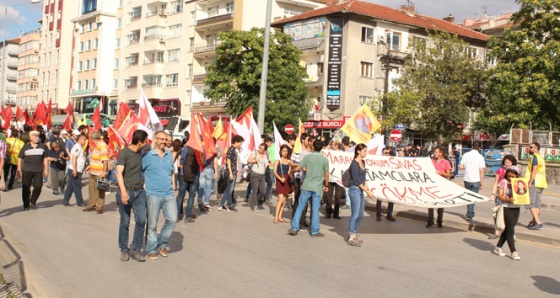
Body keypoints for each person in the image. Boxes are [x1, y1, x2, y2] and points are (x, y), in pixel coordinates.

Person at [143, 131, 177, 260]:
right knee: (152, 224)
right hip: (153, 194)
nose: (164, 141)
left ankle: (162, 244)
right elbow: (140, 173)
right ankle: (152, 248)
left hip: (168, 193)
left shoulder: (169, 155)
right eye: (161, 139)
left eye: (165, 139)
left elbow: (172, 172)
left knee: (172, 219)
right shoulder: (147, 156)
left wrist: (174, 188)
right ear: (155, 140)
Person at [116, 130, 148, 262]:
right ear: (140, 142)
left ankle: (136, 249)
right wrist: (123, 192)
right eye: (145, 141)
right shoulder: (124, 153)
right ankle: (124, 249)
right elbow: (118, 173)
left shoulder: (142, 152)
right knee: (125, 222)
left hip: (139, 192)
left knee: (141, 220)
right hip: (126, 191)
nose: (147, 144)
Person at [289, 140, 329, 237]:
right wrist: (326, 185)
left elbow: (298, 168)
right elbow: (326, 174)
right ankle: (314, 230)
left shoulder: (307, 157)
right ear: (322, 148)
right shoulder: (325, 160)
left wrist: (291, 172)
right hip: (317, 187)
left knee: (300, 206)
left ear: (313, 147)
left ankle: (294, 228)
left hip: (307, 186)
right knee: (315, 209)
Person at [345, 144, 374, 246]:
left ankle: (354, 231)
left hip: (361, 190)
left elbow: (363, 179)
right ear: (358, 151)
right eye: (365, 151)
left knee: (361, 214)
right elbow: (357, 181)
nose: (366, 153)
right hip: (355, 190)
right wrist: (367, 192)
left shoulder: (363, 162)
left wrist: (368, 189)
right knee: (355, 214)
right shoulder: (354, 164)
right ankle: (351, 235)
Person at [494, 165, 522, 261]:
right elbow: (500, 196)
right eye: (509, 176)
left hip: (516, 207)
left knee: (509, 229)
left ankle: (498, 247)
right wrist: (507, 199)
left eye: (514, 177)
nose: (511, 178)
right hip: (507, 207)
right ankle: (513, 251)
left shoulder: (520, 183)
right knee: (510, 229)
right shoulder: (503, 182)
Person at [17, 131, 48, 210]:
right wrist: (19, 169)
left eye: (38, 136)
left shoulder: (42, 146)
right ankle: (26, 204)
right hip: (27, 170)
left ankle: (33, 201)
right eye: (35, 136)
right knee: (26, 188)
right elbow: (20, 158)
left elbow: (45, 158)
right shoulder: (25, 147)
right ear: (30, 138)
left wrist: (46, 169)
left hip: (38, 170)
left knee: (38, 186)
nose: (37, 138)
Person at [488, 155, 517, 239]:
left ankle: (511, 233)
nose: (507, 164)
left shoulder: (515, 171)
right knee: (496, 214)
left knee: (510, 216)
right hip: (500, 195)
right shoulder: (500, 171)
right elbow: (495, 182)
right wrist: (493, 194)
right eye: (506, 162)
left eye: (509, 162)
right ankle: (497, 232)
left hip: (510, 196)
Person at [176, 132, 201, 222]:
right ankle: (188, 216)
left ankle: (177, 215)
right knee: (191, 196)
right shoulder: (200, 150)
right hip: (195, 175)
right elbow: (203, 162)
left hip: (184, 174)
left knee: (180, 196)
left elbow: (181, 161)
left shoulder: (186, 148)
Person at [83, 131, 109, 214]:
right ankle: (92, 204)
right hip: (93, 171)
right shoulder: (97, 145)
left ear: (93, 139)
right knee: (92, 189)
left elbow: (105, 161)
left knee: (100, 190)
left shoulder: (102, 146)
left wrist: (104, 172)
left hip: (99, 172)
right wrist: (90, 166)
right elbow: (96, 158)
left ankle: (99, 207)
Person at [459, 142, 485, 221]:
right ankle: (470, 214)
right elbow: (481, 170)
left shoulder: (466, 155)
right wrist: (482, 182)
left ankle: (469, 213)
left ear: (472, 146)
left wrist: (467, 166)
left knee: (468, 196)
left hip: (467, 178)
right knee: (473, 197)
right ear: (479, 148)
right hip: (476, 179)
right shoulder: (480, 157)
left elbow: (461, 166)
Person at [427, 146, 452, 228]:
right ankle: (430, 221)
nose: (435, 154)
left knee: (440, 204)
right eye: (434, 152)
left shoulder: (446, 162)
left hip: (442, 185)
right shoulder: (431, 161)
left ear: (441, 153)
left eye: (436, 152)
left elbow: (449, 175)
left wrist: (441, 172)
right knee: (430, 203)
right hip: (432, 184)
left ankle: (439, 221)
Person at [219, 135, 244, 211]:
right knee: (229, 189)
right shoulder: (230, 149)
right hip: (230, 172)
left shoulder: (234, 150)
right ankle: (229, 205)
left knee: (229, 189)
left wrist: (236, 171)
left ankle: (222, 205)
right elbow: (228, 161)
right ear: (236, 142)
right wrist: (230, 173)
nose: (240, 144)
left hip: (233, 171)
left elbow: (234, 162)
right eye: (240, 143)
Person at [526, 142, 547, 230]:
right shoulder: (540, 157)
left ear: (536, 148)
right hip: (541, 182)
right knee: (537, 204)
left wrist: (530, 181)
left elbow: (534, 170)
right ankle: (534, 221)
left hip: (535, 182)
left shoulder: (535, 157)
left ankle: (538, 222)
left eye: (531, 147)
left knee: (530, 203)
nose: (529, 148)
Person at [62, 134, 87, 207]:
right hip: (75, 169)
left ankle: (65, 200)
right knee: (77, 186)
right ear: (80, 139)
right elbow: (74, 158)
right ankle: (80, 202)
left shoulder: (80, 147)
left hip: (77, 169)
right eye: (84, 140)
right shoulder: (77, 147)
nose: (85, 141)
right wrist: (75, 170)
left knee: (70, 186)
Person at [197, 138, 218, 211]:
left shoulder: (203, 149)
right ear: (214, 144)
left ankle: (199, 199)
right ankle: (206, 203)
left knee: (201, 186)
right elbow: (215, 163)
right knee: (208, 188)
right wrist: (216, 172)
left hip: (202, 169)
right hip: (210, 170)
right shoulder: (214, 151)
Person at [247, 143, 269, 213]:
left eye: (262, 149)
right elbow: (248, 160)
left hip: (262, 175)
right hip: (255, 174)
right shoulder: (255, 153)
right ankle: (255, 205)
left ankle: (253, 200)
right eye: (260, 147)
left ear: (265, 150)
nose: (260, 149)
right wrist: (255, 160)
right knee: (255, 190)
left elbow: (267, 164)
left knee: (263, 192)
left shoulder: (265, 156)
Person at [274, 144, 292, 223]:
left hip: (287, 180)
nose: (285, 152)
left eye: (286, 151)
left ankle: (280, 217)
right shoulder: (278, 161)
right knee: (280, 199)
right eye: (283, 151)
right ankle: (276, 216)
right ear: (280, 152)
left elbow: (290, 172)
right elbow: (274, 172)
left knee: (284, 200)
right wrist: (280, 178)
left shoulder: (289, 161)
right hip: (280, 180)